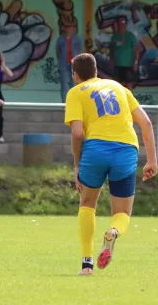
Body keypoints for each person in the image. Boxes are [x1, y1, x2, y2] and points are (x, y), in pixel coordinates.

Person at [64, 53, 157, 276]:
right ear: (96, 71)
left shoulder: (76, 92)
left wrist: (77, 166)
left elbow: (77, 134)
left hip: (95, 150)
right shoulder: (119, 88)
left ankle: (87, 265)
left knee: (87, 203)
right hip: (125, 150)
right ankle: (113, 231)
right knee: (123, 212)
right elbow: (145, 123)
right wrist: (152, 160)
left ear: (75, 75)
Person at [109, 16, 139, 91]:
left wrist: (136, 62)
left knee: (128, 84)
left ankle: (130, 101)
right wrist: (111, 60)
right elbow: (112, 50)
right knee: (118, 85)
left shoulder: (130, 36)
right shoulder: (114, 36)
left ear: (126, 24)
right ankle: (119, 102)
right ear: (117, 24)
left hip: (128, 65)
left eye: (123, 22)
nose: (122, 24)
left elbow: (137, 50)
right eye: (120, 22)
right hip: (117, 65)